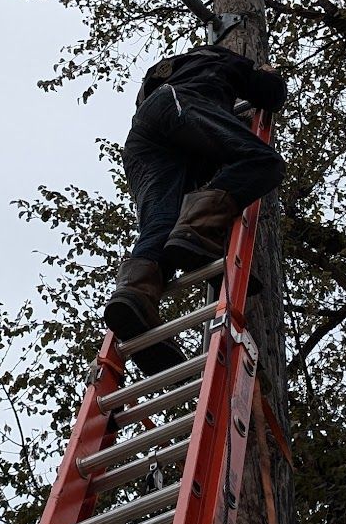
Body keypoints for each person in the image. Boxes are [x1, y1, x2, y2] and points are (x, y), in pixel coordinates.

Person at [105, 42, 287, 367]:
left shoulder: (162, 70)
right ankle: (196, 230)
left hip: (144, 139)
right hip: (177, 106)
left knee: (161, 223)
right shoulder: (223, 58)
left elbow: (147, 102)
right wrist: (269, 74)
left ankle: (135, 297)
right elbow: (269, 95)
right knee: (263, 161)